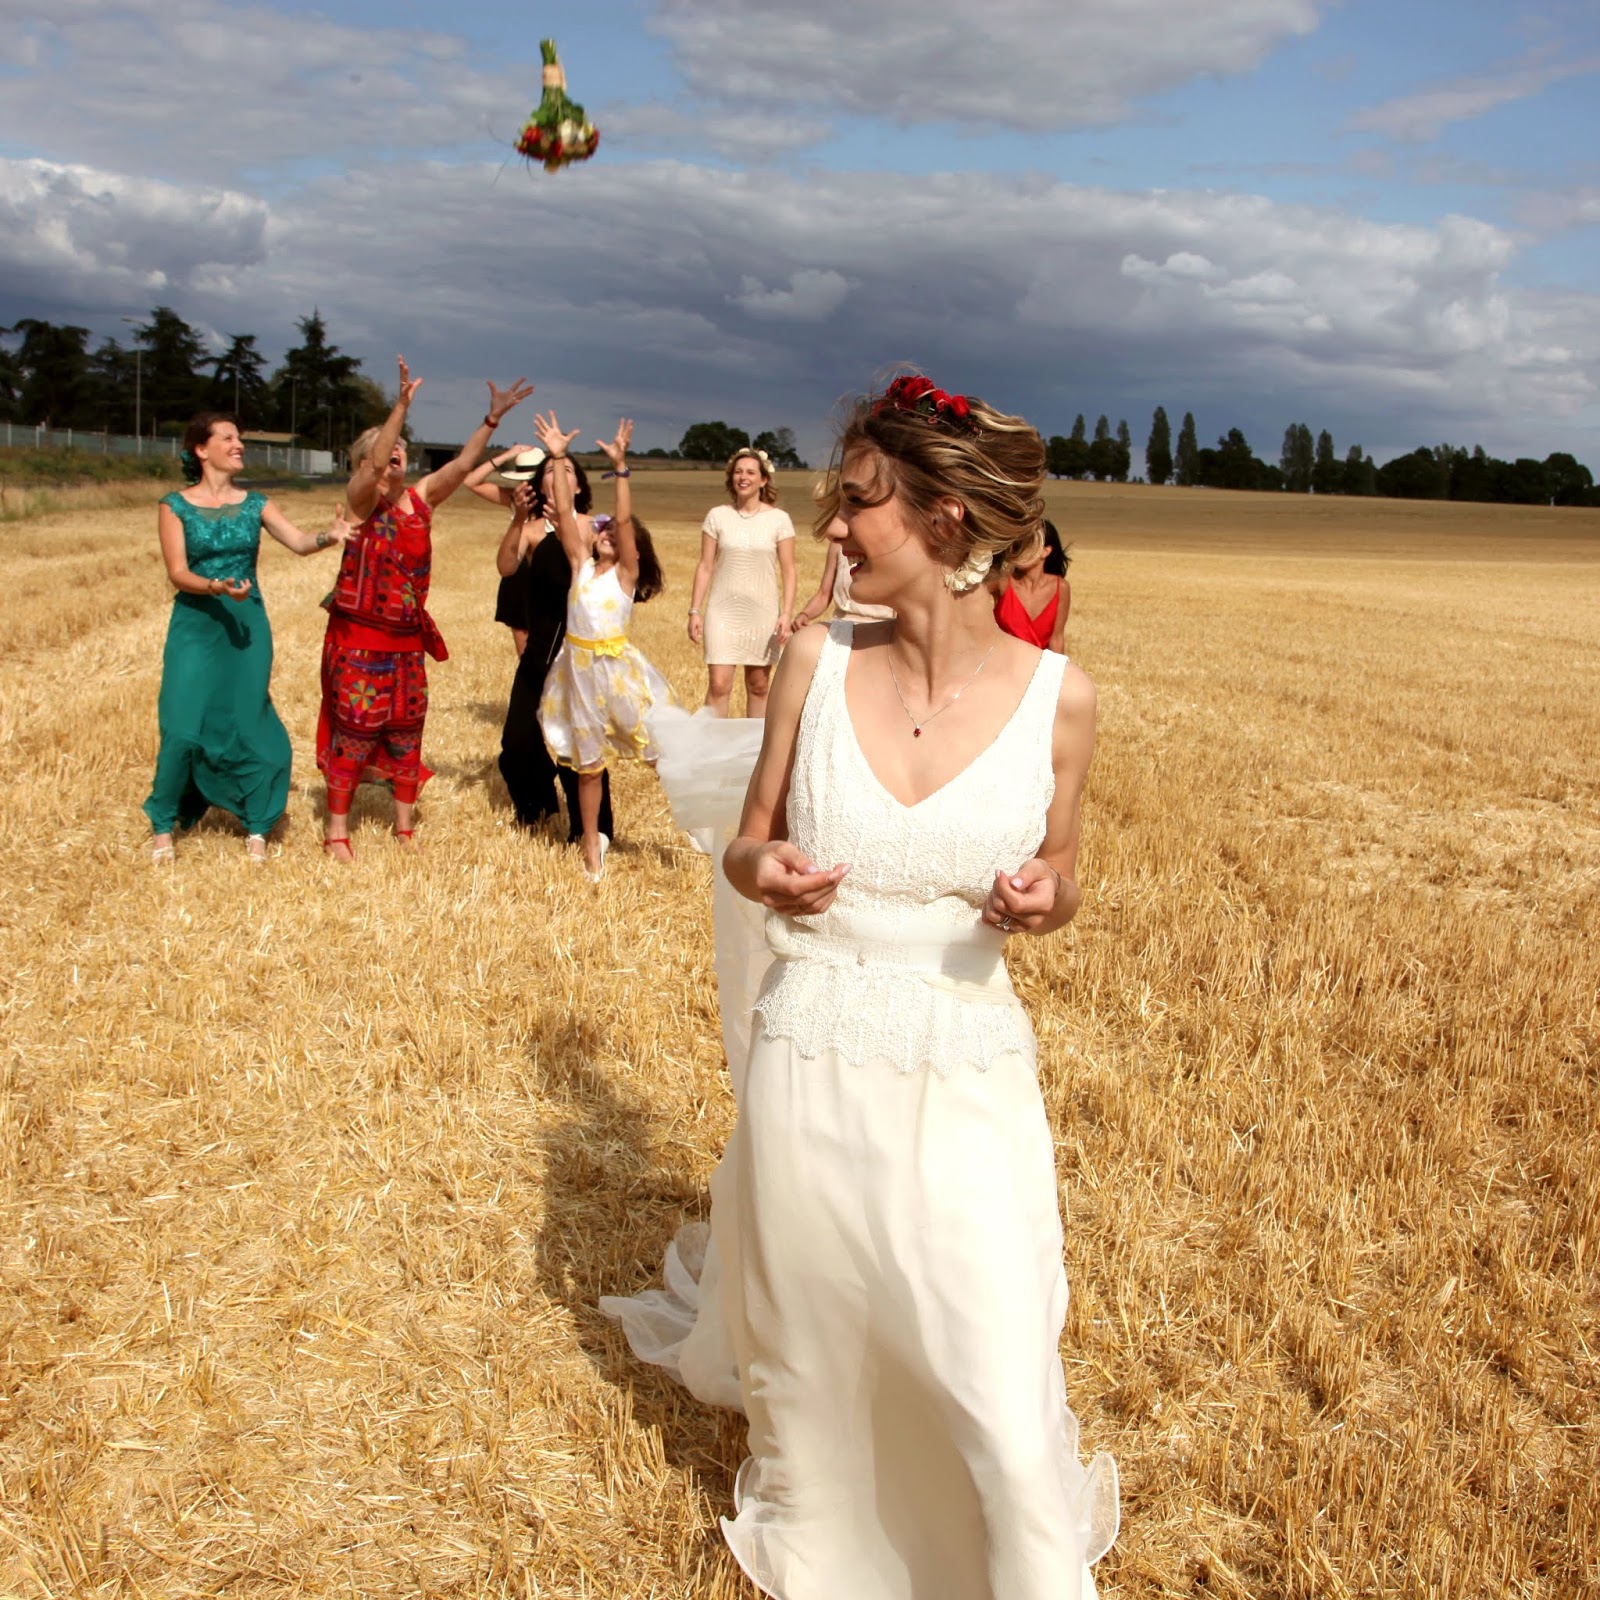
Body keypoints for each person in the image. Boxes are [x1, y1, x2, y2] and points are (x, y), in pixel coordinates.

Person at [602, 373, 1118, 1597]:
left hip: (969, 1063)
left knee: (988, 1353)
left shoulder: (1063, 699)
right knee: (825, 1353)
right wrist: (759, 868)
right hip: (813, 1055)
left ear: (944, 523)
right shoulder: (810, 663)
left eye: (858, 505)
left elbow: (1066, 872)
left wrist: (1046, 897)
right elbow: (747, 835)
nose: (831, 528)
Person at [317, 358, 533, 858]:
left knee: (406, 730)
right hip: (358, 642)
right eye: (387, 448)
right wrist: (401, 406)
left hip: (406, 641)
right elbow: (372, 468)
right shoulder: (360, 500)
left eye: (401, 449)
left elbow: (461, 466)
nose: (396, 454)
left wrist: (492, 419)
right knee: (353, 731)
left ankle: (404, 828)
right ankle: (336, 833)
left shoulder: (419, 499)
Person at [145, 412, 353, 863]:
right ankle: (165, 822)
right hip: (197, 626)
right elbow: (178, 573)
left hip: (246, 626)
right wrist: (215, 586)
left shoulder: (256, 502)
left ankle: (258, 821)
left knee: (248, 718)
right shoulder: (173, 505)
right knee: (182, 725)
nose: (239, 444)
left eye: (239, 438)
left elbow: (298, 542)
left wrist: (329, 535)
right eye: (229, 438)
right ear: (202, 449)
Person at [533, 413, 669, 881]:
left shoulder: (625, 576)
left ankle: (699, 823)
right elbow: (566, 511)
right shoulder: (580, 565)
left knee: (658, 754)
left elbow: (625, 518)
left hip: (619, 674)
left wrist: (622, 469)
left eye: (614, 532)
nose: (606, 532)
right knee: (587, 768)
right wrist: (555, 459)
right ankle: (593, 844)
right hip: (579, 673)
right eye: (603, 530)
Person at [490, 452, 614, 843]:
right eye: (548, 471)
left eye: (565, 471)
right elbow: (506, 567)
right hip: (539, 650)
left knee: (577, 745)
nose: (557, 477)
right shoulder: (530, 530)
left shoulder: (593, 528)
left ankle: (592, 830)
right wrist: (515, 519)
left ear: (577, 485)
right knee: (517, 741)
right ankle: (537, 809)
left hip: (579, 650)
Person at [688, 448, 797, 717]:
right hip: (722, 610)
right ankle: (714, 751)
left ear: (763, 480)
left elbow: (789, 570)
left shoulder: (779, 520)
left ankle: (756, 753)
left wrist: (786, 613)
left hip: (762, 612)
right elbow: (705, 566)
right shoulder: (717, 516)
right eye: (738, 472)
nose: (743, 477)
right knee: (718, 684)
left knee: (759, 685)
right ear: (731, 478)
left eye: (750, 472)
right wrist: (694, 611)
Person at [991, 516, 1071, 652]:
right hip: (1003, 667)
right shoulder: (1002, 581)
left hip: (1038, 670)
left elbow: (1056, 639)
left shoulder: (1060, 587)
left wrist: (1058, 672)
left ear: (1046, 551)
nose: (1021, 550)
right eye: (1018, 544)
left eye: (1029, 544)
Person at [788, 536, 895, 629]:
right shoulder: (838, 545)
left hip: (883, 631)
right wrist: (804, 615)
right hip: (840, 629)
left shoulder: (896, 546)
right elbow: (823, 594)